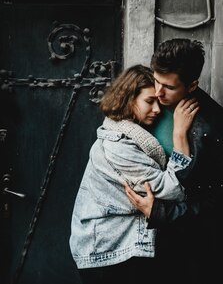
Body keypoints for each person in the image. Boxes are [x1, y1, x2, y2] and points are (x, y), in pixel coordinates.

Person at [124, 38, 223, 283]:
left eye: (168, 87)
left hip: (183, 246)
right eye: (156, 80)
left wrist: (161, 213)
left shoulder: (215, 127)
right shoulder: (146, 100)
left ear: (191, 86)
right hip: (134, 235)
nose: (158, 92)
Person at [68, 64, 199, 284]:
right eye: (149, 101)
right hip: (108, 255)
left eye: (158, 101)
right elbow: (172, 190)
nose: (157, 109)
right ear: (129, 100)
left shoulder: (127, 133)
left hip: (112, 249)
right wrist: (179, 136)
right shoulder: (118, 146)